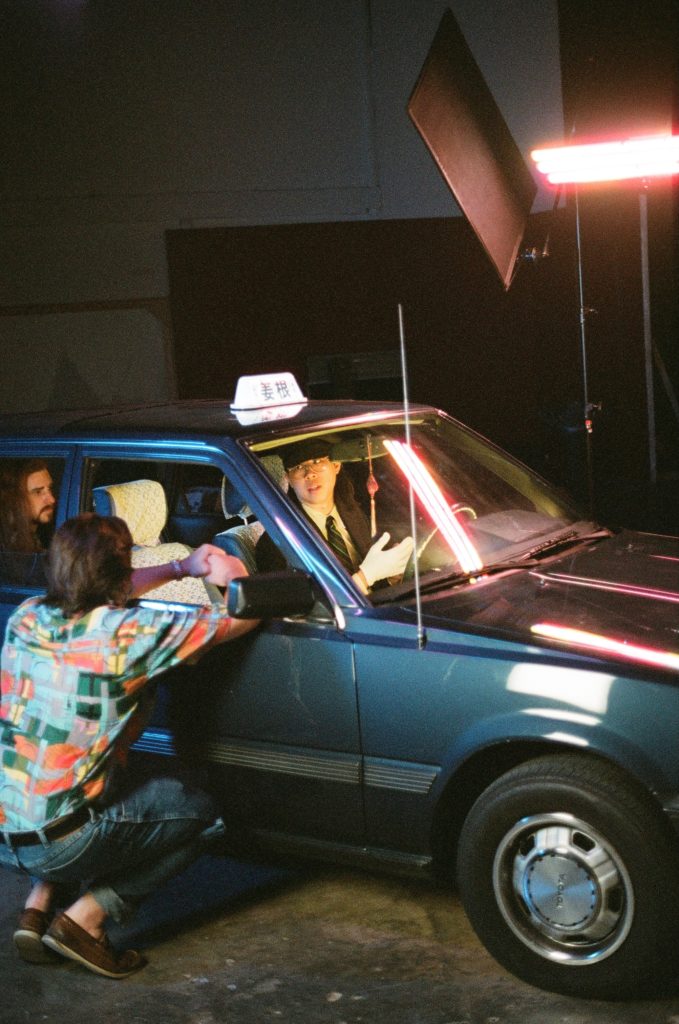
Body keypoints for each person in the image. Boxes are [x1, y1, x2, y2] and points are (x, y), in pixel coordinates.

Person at [0, 513, 257, 979]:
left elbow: (109, 589)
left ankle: (37, 906)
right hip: (64, 840)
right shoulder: (127, 635)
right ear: (118, 572)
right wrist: (232, 572)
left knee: (91, 775)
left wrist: (181, 567)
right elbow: (241, 615)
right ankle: (85, 921)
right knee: (205, 814)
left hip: (6, 831)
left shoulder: (29, 614)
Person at [255, 438, 413, 592]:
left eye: (317, 461)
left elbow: (378, 579)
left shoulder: (357, 514)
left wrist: (391, 577)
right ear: (288, 479)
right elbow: (301, 610)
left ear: (336, 465)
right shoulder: (275, 544)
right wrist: (364, 578)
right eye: (298, 467)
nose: (309, 474)